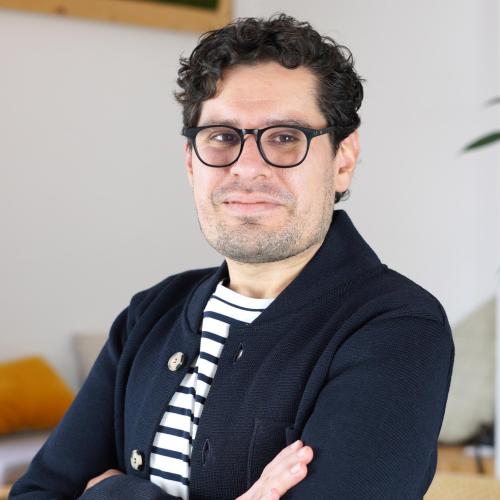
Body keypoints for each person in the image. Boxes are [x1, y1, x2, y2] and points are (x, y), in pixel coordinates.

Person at [10, 13, 454, 500]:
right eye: (222, 137)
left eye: (285, 137)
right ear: (190, 163)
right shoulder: (150, 313)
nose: (247, 167)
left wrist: (111, 494)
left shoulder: (399, 328)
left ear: (342, 160)